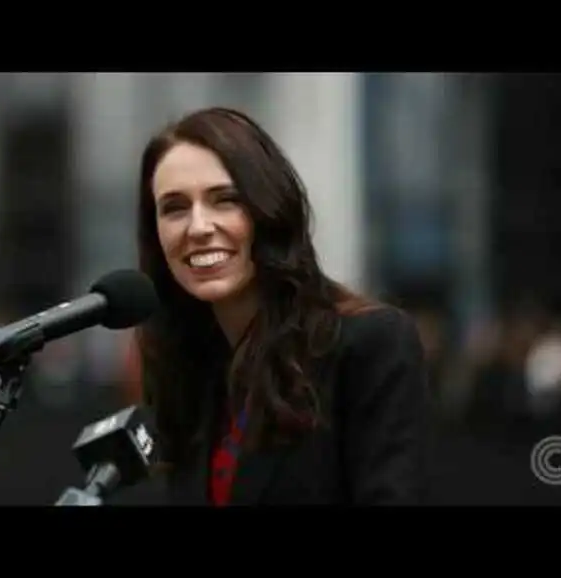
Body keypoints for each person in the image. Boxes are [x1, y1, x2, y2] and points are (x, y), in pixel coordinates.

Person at [112, 107, 430, 506]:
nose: (198, 227)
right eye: (174, 208)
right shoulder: (188, 369)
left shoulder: (370, 343)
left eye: (224, 199)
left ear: (268, 209)